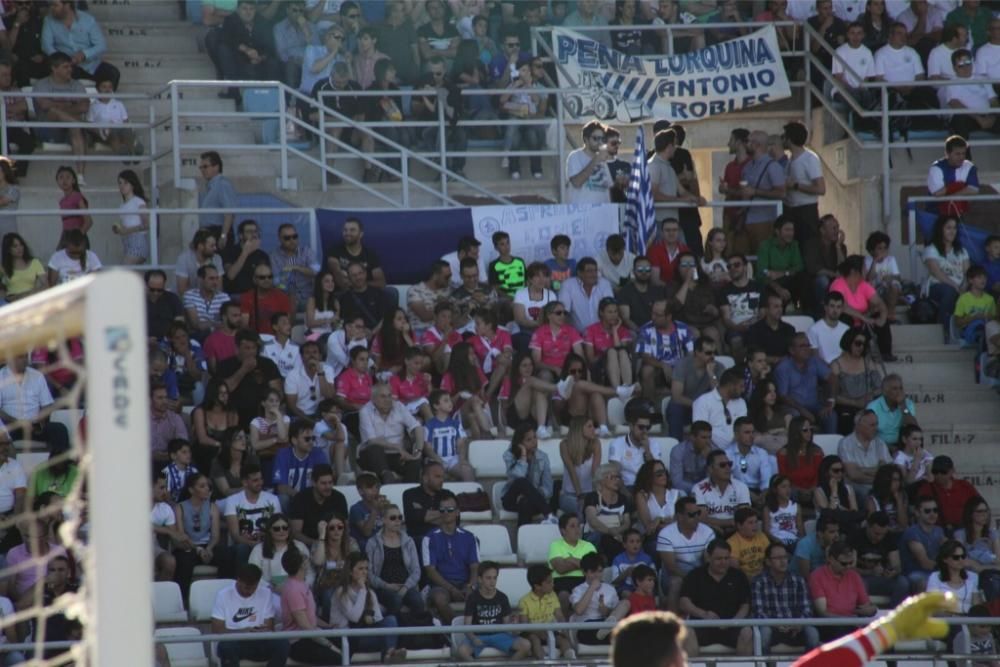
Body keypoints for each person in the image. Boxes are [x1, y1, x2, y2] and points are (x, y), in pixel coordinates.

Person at [679, 538, 753, 655]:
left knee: (747, 632)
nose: (723, 562)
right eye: (719, 559)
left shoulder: (738, 576)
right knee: (687, 633)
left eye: (726, 558)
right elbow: (684, 602)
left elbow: (745, 605)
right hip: (703, 626)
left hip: (732, 627)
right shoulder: (695, 575)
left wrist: (734, 622)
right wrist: (704, 614)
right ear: (708, 557)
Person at [329, 552, 406, 661]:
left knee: (391, 620)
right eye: (360, 569)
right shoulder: (341, 592)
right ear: (350, 571)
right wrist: (362, 590)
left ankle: (389, 655)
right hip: (346, 638)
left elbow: (378, 619)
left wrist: (371, 618)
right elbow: (354, 617)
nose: (364, 572)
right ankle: (389, 656)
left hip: (364, 634)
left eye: (366, 569)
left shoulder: (370, 593)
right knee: (387, 634)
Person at [210, 563, 290, 667]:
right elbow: (217, 630)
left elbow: (269, 627)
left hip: (259, 641)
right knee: (227, 646)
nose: (251, 591)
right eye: (247, 588)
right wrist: (245, 632)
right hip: (234, 642)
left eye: (254, 588)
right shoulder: (223, 595)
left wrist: (262, 630)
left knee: (282, 644)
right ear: (238, 580)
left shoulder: (265, 593)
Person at [752, 542, 821, 653]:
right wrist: (777, 624)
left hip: (796, 628)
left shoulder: (798, 580)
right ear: (768, 562)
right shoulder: (759, 582)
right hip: (771, 627)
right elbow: (758, 612)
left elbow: (807, 609)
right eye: (778, 558)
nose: (783, 561)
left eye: (785, 557)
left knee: (813, 633)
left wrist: (798, 624)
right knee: (764, 633)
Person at [456, 561, 533, 660]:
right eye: (488, 578)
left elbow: (506, 625)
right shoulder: (472, 598)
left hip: (500, 635)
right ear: (480, 579)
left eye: (494, 578)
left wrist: (514, 627)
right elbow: (467, 626)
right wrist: (473, 638)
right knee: (462, 651)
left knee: (526, 645)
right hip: (479, 635)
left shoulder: (502, 597)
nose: (492, 581)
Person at [422, 491, 479, 623]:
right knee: (439, 599)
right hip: (441, 585)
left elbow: (475, 567)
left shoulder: (469, 537)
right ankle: (458, 632)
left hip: (465, 583)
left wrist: (471, 586)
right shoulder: (429, 538)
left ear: (457, 512)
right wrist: (451, 589)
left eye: (450, 509)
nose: (446, 512)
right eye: (442, 510)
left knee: (484, 596)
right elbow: (430, 571)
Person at [280, 547, 341, 665]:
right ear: (301, 565)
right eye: (305, 559)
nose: (308, 560)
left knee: (349, 642)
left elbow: (309, 616)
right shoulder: (293, 589)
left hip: (311, 636)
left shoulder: (301, 584)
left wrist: (328, 626)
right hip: (298, 642)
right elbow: (304, 625)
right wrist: (329, 644)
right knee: (336, 658)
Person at [809, 541, 878, 641]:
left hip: (851, 624)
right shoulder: (817, 576)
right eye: (844, 564)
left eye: (851, 563)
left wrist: (871, 610)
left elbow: (867, 606)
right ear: (831, 559)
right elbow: (823, 612)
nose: (848, 567)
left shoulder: (854, 576)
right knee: (844, 634)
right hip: (829, 625)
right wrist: (848, 621)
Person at [359, 383, 425, 484]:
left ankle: (407, 490)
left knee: (414, 462)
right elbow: (372, 440)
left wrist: (418, 451)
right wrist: (397, 447)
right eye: (383, 396)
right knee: (375, 448)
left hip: (397, 456)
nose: (388, 400)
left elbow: (417, 428)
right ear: (373, 398)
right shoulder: (365, 411)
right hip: (372, 455)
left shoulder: (399, 406)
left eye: (389, 395)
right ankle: (387, 477)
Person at [365, 502, 423, 615]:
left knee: (418, 600)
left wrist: (406, 587)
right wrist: (386, 585)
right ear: (383, 521)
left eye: (400, 517)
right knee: (395, 600)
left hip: (405, 585)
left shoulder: (408, 541)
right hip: (382, 587)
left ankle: (416, 631)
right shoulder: (372, 543)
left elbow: (416, 570)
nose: (397, 520)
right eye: (393, 518)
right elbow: (369, 573)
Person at [41, 0, 117, 86]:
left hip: (90, 65)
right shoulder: (49, 20)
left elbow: (101, 45)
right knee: (64, 72)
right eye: (50, 5)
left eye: (55, 5)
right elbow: (46, 46)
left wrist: (84, 54)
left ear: (67, 5)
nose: (51, 8)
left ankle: (103, 99)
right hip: (65, 65)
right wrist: (62, 60)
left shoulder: (87, 20)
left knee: (113, 73)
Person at [738, 130, 788, 252]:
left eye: (748, 141)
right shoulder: (748, 166)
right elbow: (745, 192)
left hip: (765, 221)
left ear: (757, 144)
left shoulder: (773, 166)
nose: (746, 145)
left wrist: (755, 192)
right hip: (746, 220)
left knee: (762, 256)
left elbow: (782, 193)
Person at [224, 464, 282, 565]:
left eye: (261, 479)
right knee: (242, 548)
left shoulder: (273, 499)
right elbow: (235, 535)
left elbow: (278, 527)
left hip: (267, 542)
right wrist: (253, 544)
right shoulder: (232, 501)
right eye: (255, 480)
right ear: (245, 482)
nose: (260, 483)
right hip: (243, 545)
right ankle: (243, 580)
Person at [849, 510, 910, 605]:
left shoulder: (889, 538)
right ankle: (864, 615)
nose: (879, 537)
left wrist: (892, 572)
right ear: (868, 527)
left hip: (882, 578)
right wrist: (870, 572)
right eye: (876, 533)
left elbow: (897, 566)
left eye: (883, 534)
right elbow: (850, 568)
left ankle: (894, 616)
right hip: (862, 577)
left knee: (903, 583)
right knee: (860, 584)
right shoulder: (856, 537)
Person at [924, 214, 971, 334]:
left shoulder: (962, 251)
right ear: (941, 229)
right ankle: (942, 329)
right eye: (948, 228)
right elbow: (937, 273)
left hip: (960, 287)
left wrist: (964, 287)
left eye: (954, 228)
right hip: (937, 286)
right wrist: (955, 286)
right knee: (949, 292)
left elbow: (967, 272)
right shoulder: (931, 249)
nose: (952, 231)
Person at [502, 423, 555, 526]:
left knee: (525, 503)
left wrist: (531, 494)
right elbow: (519, 476)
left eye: (535, 437)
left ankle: (522, 538)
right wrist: (523, 455)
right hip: (511, 499)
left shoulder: (543, 458)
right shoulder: (509, 455)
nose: (534, 442)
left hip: (533, 500)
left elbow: (548, 489)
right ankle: (549, 514)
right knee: (521, 482)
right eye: (529, 440)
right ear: (520, 442)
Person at [837, 410, 892, 504]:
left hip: (877, 485)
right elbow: (853, 475)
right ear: (859, 426)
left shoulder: (880, 443)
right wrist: (877, 477)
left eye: (876, 424)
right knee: (868, 494)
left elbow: (886, 471)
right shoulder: (846, 444)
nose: (876, 428)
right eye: (872, 425)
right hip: (856, 486)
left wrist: (862, 470)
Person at [549, 513, 598, 617]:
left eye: (578, 525)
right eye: (572, 526)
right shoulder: (555, 545)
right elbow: (560, 569)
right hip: (562, 582)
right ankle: (565, 628)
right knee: (563, 595)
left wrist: (569, 559)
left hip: (584, 580)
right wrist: (583, 564)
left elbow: (594, 567)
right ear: (563, 530)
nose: (577, 529)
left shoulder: (589, 546)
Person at [248, 513, 312, 591]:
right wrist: (271, 587)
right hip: (268, 592)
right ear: (269, 530)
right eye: (276, 528)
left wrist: (301, 586)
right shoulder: (258, 549)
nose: (282, 531)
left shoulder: (300, 546)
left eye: (285, 528)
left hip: (297, 591)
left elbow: (310, 572)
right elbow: (252, 574)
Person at [953, 496, 1000, 602]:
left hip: (990, 576)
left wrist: (979, 567)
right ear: (970, 514)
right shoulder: (960, 534)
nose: (984, 515)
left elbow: (998, 561)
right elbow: (959, 560)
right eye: (980, 511)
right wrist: (985, 566)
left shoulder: (993, 535)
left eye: (986, 511)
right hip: (967, 576)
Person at [583, 463, 633, 561]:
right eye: (612, 477)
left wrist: (617, 531)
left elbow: (627, 523)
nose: (617, 480)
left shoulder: (623, 499)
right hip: (596, 535)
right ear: (601, 480)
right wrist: (611, 532)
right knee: (607, 540)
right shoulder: (592, 497)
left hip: (617, 534)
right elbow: (593, 521)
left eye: (618, 477)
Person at [717, 254, 764, 359]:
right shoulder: (724, 291)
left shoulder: (758, 286)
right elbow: (726, 318)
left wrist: (753, 324)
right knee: (736, 340)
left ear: (746, 267)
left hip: (757, 326)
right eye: (729, 266)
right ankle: (740, 370)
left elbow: (763, 312)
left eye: (737, 265)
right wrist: (738, 327)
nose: (733, 268)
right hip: (735, 328)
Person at [917, 454, 980, 531]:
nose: (939, 475)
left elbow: (980, 505)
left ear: (952, 471)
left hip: (964, 530)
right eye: (935, 471)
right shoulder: (926, 489)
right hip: (936, 531)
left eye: (943, 471)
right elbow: (919, 513)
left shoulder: (965, 486)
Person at [608, 399, 662, 488]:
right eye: (641, 427)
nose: (645, 431)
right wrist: (626, 494)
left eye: (647, 427)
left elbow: (657, 472)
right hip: (627, 487)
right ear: (631, 426)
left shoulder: (653, 444)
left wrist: (648, 451)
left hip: (648, 487)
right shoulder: (617, 443)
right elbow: (615, 472)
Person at [804, 216, 848, 317]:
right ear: (822, 230)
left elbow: (843, 267)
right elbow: (814, 268)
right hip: (813, 284)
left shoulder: (840, 246)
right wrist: (834, 274)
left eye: (838, 227)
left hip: (834, 280)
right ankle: (822, 312)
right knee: (823, 280)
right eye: (833, 228)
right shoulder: (812, 244)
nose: (837, 231)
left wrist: (838, 247)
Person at [692, 368, 748, 449]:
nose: (743, 390)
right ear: (730, 385)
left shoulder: (741, 402)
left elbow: (743, 427)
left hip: (738, 448)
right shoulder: (703, 401)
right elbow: (700, 432)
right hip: (711, 450)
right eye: (741, 386)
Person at [901, 495, 947, 592]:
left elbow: (949, 551)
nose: (932, 514)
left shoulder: (939, 531)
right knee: (924, 582)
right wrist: (949, 567)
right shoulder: (912, 532)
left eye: (935, 510)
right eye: (927, 511)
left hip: (936, 571)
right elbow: (925, 563)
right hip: (916, 573)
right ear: (917, 513)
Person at [724, 417, 775, 503]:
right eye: (747, 432)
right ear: (736, 434)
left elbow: (766, 480)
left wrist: (763, 495)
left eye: (753, 432)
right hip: (735, 493)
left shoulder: (761, 453)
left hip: (759, 492)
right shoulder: (726, 454)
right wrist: (749, 494)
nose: (751, 436)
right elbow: (728, 480)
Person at [270, 224, 317, 314]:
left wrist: (297, 267)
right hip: (285, 298)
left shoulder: (307, 251)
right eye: (287, 238)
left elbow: (316, 270)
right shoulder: (274, 256)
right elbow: (276, 282)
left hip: (308, 297)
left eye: (294, 236)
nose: (292, 240)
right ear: (280, 239)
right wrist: (289, 293)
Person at [566, 120, 613, 204]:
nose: (600, 142)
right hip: (582, 212)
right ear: (586, 139)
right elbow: (576, 183)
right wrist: (596, 159)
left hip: (602, 212)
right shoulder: (575, 156)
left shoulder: (602, 161)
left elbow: (608, 188)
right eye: (596, 138)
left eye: (602, 139)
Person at [198, 151, 239, 245]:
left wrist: (223, 236)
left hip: (218, 232)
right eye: (201, 167)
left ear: (216, 167)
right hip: (210, 233)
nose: (202, 170)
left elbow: (229, 213)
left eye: (205, 166)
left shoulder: (222, 184)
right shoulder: (211, 187)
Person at [619, 256, 668, 332]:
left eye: (647, 269)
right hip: (635, 331)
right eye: (640, 269)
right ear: (633, 271)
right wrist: (641, 332)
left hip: (656, 329)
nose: (644, 272)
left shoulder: (658, 290)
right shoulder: (625, 291)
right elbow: (626, 319)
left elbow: (663, 314)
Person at [866, 374, 917, 447]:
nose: (899, 392)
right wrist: (888, 447)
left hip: (902, 445)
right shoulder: (873, 406)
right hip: (879, 446)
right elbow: (869, 433)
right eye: (895, 389)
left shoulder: (908, 404)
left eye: (901, 388)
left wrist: (903, 406)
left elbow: (913, 427)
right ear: (885, 392)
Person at [746, 292, 797, 366]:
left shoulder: (789, 329)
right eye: (776, 307)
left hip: (786, 367)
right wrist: (775, 360)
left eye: (781, 306)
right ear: (766, 309)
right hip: (763, 368)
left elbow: (793, 352)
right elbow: (753, 355)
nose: (780, 309)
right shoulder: (754, 330)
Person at [402, 461, 446, 541]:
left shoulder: (448, 495)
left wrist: (422, 513)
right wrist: (443, 512)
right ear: (425, 478)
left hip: (443, 539)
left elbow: (454, 519)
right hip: (418, 539)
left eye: (443, 477)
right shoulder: (410, 494)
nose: (442, 480)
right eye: (437, 477)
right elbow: (411, 519)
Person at [954, 265, 997, 345]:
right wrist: (973, 318)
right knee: (979, 324)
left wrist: (987, 316)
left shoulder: (990, 299)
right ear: (970, 280)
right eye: (979, 277)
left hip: (987, 329)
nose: (983, 280)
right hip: (969, 331)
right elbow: (957, 322)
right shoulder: (963, 299)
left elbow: (995, 319)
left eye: (984, 277)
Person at [0, 233, 45, 302]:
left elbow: (45, 285)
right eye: (15, 246)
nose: (19, 248)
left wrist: (32, 293)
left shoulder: (35, 262)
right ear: (8, 249)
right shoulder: (3, 267)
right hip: (13, 301)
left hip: (33, 299)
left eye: (21, 244)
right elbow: (2, 291)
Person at [809, 292, 851, 365]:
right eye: (832, 306)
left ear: (842, 309)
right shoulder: (814, 329)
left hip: (843, 368)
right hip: (823, 370)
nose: (835, 310)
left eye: (838, 307)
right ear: (825, 307)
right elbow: (814, 357)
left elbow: (848, 354)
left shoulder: (847, 329)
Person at [763, 474, 804, 546]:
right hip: (777, 542)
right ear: (775, 489)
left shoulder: (796, 506)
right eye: (783, 487)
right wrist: (776, 540)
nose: (788, 490)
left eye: (789, 486)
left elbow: (800, 528)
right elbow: (766, 531)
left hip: (794, 541)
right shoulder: (768, 508)